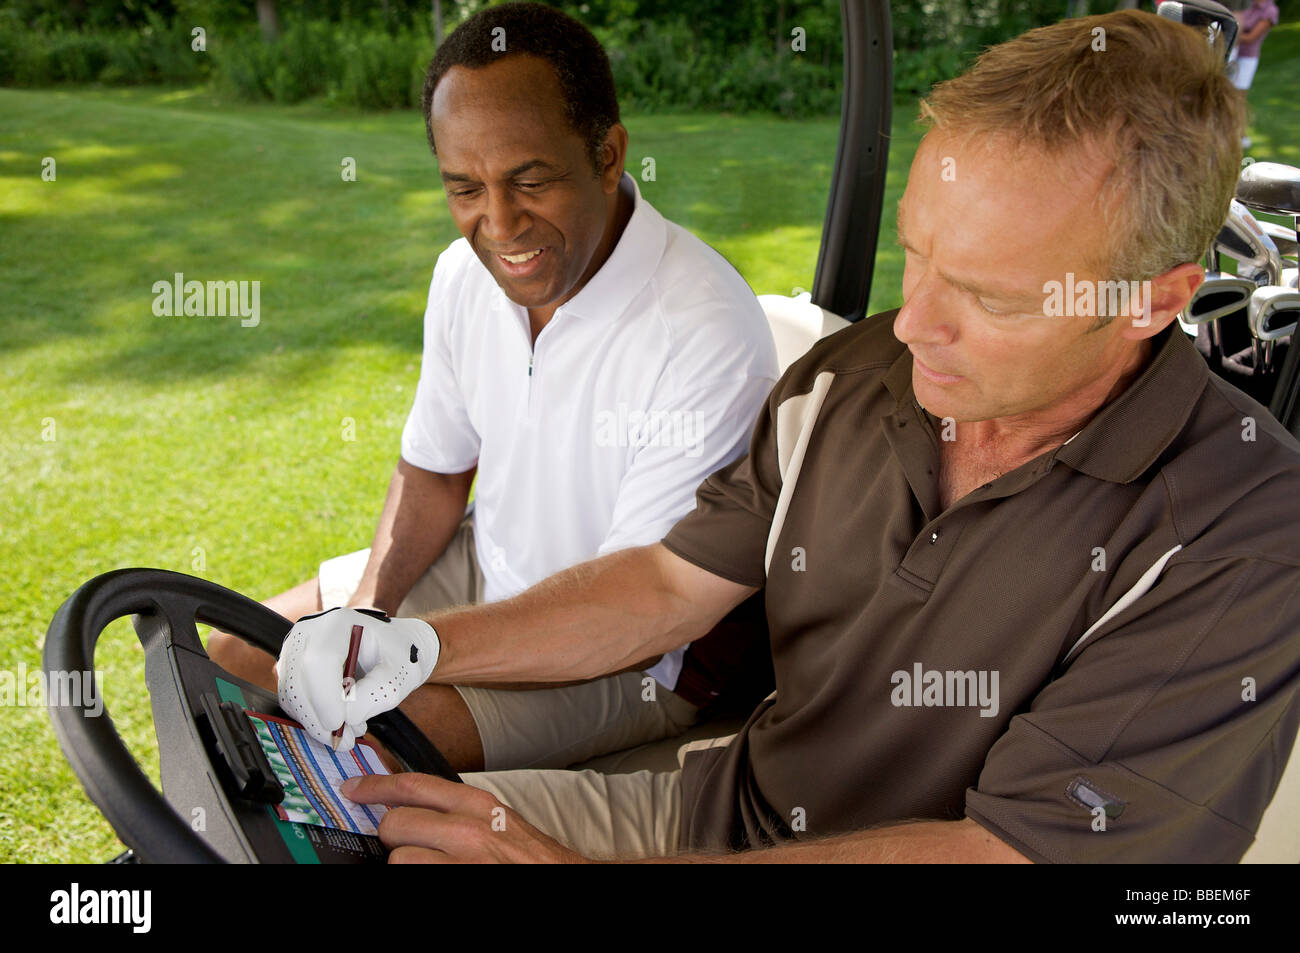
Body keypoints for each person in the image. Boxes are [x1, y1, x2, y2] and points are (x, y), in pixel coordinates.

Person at [282, 10, 1300, 863]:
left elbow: (999, 854)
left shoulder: (1242, 532)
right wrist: (410, 643)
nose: (911, 324)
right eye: (917, 256)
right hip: (715, 813)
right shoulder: (852, 380)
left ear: (1149, 302)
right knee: (352, 827)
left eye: (986, 296)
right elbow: (670, 586)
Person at [209, 2, 779, 775]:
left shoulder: (704, 328)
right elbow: (436, 470)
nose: (499, 224)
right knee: (237, 651)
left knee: (375, 732)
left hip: (632, 657)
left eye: (529, 179)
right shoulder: (461, 275)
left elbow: (640, 602)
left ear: (608, 156)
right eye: (464, 189)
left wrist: (408, 653)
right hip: (489, 564)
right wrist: (370, 612)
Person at [1231, 0, 1280, 147]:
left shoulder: (1270, 11)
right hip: (1234, 53)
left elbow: (1250, 37)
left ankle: (1241, 134)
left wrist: (1230, 33)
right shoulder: (1246, 4)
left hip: (1247, 58)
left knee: (1239, 97)